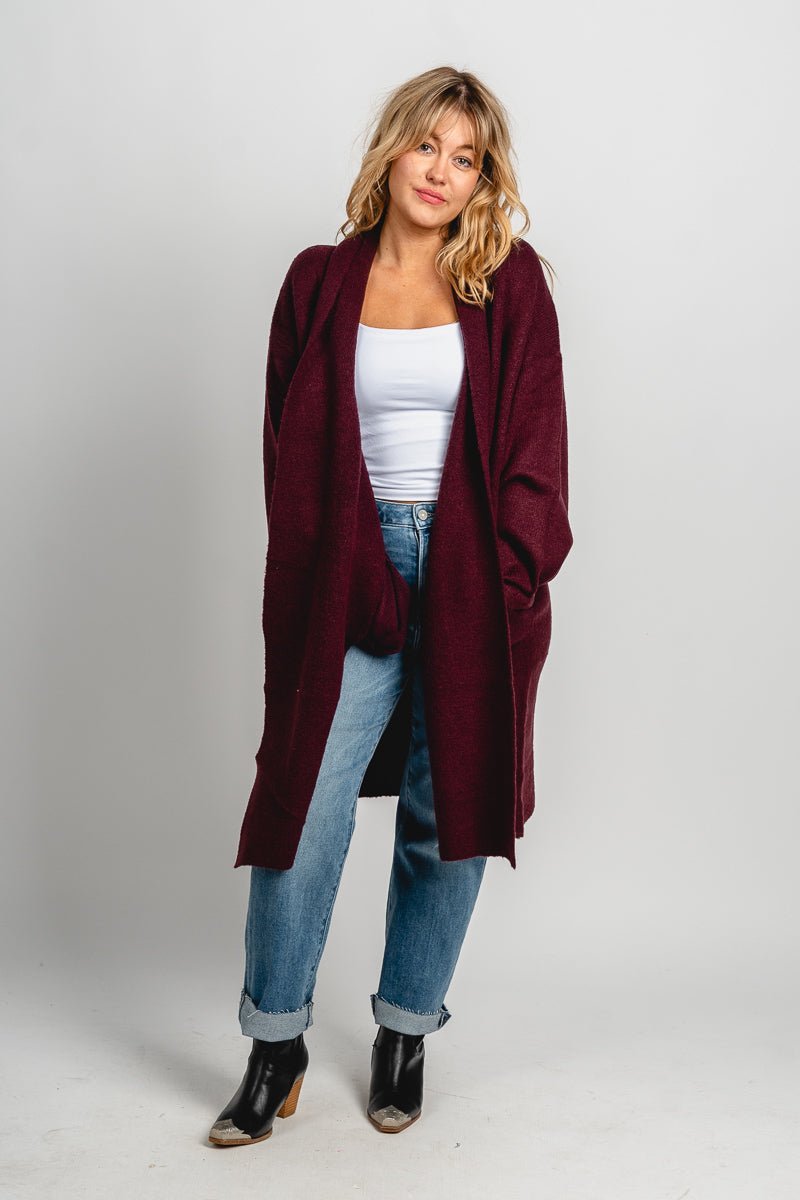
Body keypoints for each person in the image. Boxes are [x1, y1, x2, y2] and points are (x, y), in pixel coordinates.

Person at [209, 64, 573, 1146]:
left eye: (467, 159)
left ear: (483, 179)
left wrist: (504, 582)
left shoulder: (509, 283)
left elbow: (538, 452)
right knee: (301, 810)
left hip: (474, 576)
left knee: (448, 816)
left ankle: (405, 1032)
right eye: (429, 146)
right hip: (345, 568)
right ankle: (274, 1045)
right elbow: (286, 448)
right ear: (393, 146)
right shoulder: (320, 281)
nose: (442, 173)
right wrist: (350, 563)